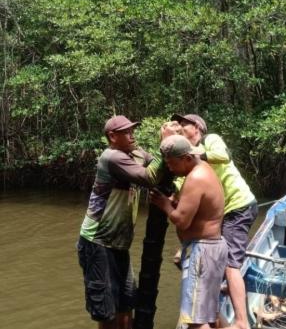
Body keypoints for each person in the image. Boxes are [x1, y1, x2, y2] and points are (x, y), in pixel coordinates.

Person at [77, 115, 166, 329]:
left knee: (126, 302)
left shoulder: (133, 152)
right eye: (126, 132)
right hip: (98, 242)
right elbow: (150, 177)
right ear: (112, 136)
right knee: (106, 311)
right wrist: (166, 146)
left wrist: (158, 158)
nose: (132, 134)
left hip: (118, 245)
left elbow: (152, 162)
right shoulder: (112, 157)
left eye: (132, 130)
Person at [171, 113, 257, 329]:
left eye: (184, 125)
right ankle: (220, 315)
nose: (180, 127)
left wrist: (193, 151)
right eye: (178, 125)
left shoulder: (211, 141)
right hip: (217, 216)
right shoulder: (187, 167)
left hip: (238, 206)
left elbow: (223, 156)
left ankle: (241, 322)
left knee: (230, 262)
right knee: (204, 258)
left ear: (198, 129)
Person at [150, 135, 228, 329]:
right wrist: (176, 203)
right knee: (212, 314)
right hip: (212, 248)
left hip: (202, 252)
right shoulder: (205, 170)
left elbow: (182, 221)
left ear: (187, 158)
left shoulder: (195, 178)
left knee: (195, 321)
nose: (169, 168)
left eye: (171, 163)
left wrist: (165, 204)